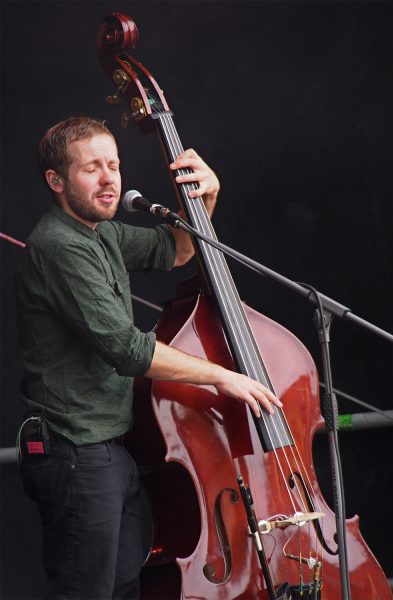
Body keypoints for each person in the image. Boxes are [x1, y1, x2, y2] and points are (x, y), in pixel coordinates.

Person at [15, 116, 282, 600]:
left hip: (112, 450)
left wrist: (205, 198)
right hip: (77, 451)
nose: (109, 178)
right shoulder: (59, 247)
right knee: (85, 592)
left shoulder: (104, 236)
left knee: (122, 587)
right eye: (91, 168)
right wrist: (221, 376)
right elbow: (128, 349)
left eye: (113, 165)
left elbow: (180, 249)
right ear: (56, 181)